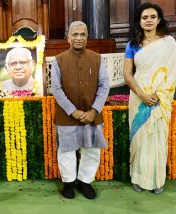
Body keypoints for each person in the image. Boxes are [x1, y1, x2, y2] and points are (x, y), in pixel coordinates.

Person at [123, 3, 176, 194]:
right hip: (139, 96)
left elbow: (172, 73)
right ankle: (138, 179)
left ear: (159, 20)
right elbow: (128, 75)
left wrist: (159, 94)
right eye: (144, 17)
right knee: (140, 136)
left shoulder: (168, 43)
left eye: (152, 17)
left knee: (157, 137)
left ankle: (157, 180)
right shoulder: (132, 45)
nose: (148, 20)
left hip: (161, 97)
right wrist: (142, 95)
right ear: (139, 21)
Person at [50, 21, 110, 200]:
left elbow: (104, 85)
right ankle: (68, 182)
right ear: (68, 38)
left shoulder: (97, 58)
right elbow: (56, 89)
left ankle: (85, 181)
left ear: (87, 37)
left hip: (92, 114)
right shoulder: (58, 60)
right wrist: (72, 111)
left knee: (91, 149)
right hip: (66, 115)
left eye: (82, 34)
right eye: (74, 34)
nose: (78, 38)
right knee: (66, 150)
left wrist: (94, 110)